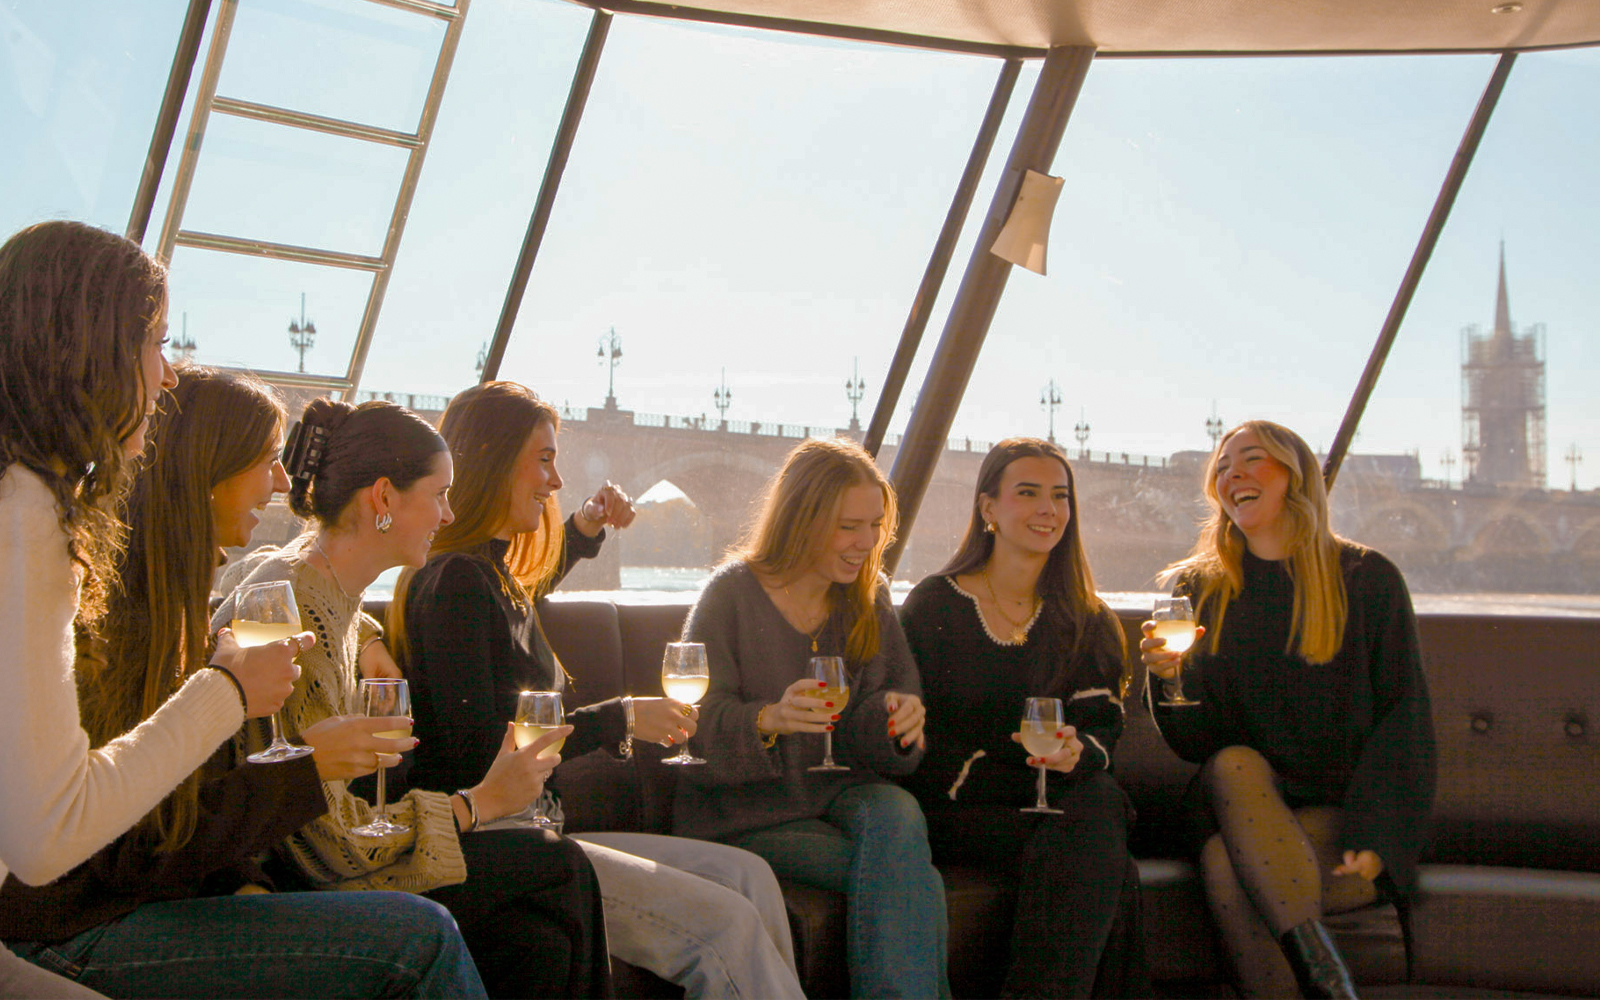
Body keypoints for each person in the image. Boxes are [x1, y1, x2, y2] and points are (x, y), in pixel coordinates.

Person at [1, 363, 487, 997]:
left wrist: (241, 877)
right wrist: (307, 771)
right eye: (264, 460)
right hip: (73, 927)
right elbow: (123, 844)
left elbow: (181, 799)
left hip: (132, 902)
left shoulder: (181, 600)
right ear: (209, 472)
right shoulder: (123, 618)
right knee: (423, 939)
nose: (284, 482)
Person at [387, 381, 805, 999]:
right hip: (504, 846)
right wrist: (621, 717)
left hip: (544, 830)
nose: (556, 480)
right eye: (545, 459)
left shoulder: (489, 576)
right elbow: (486, 753)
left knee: (751, 877)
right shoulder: (457, 584)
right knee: (728, 926)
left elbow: (527, 589)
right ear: (496, 460)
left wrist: (583, 527)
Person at [215, 398, 611, 1000]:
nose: (448, 514)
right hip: (311, 879)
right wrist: (474, 805)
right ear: (383, 499)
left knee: (537, 940)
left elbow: (273, 579)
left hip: (332, 852)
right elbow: (329, 843)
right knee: (559, 866)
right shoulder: (299, 616)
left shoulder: (317, 591)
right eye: (439, 494)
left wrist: (369, 639)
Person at [0, 220, 300, 997]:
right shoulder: (25, 518)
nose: (169, 377)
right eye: (157, 342)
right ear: (91, 353)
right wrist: (228, 693)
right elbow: (48, 835)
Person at [1141, 420, 1435, 999]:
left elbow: (1404, 719)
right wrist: (1170, 681)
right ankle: (1329, 981)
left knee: (1232, 867)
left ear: (1295, 475)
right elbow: (1196, 744)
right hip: (1231, 802)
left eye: (1252, 459)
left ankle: (1323, 982)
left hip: (1336, 815)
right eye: (1222, 467)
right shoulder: (1196, 588)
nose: (1233, 475)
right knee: (1234, 765)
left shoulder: (1366, 579)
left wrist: (1377, 838)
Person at [677, 436, 948, 999]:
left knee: (896, 812)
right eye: (850, 526)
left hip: (839, 797)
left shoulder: (868, 599)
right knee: (904, 875)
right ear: (802, 518)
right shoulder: (729, 596)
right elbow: (690, 730)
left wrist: (896, 720)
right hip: (748, 815)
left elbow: (882, 725)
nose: (866, 543)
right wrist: (768, 720)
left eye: (875, 526)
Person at [898, 437, 1149, 998]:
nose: (1048, 509)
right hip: (962, 806)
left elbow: (1103, 725)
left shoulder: (1087, 618)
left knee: (1095, 819)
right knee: (1105, 846)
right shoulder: (934, 607)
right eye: (1028, 493)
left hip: (1057, 797)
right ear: (989, 508)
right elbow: (919, 737)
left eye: (1060, 496)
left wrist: (1077, 750)